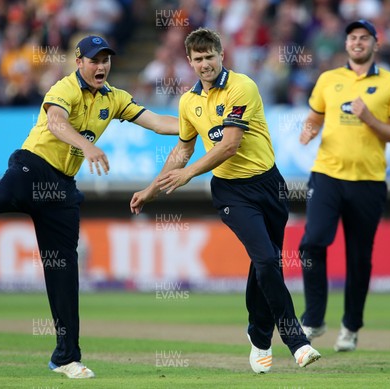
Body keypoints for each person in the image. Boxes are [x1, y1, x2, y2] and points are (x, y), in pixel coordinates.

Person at [0, 35, 179, 379]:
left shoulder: (115, 98)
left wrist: (198, 125)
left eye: (106, 60)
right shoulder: (64, 88)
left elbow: (156, 122)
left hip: (62, 189)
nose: (101, 66)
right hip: (33, 168)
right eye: (94, 60)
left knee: (64, 272)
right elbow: (56, 123)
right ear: (79, 62)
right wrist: (87, 147)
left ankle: (66, 357)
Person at [130, 27, 321, 373]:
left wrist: (189, 174)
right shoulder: (188, 102)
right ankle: (297, 342)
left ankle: (258, 336)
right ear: (189, 62)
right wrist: (152, 188)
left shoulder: (242, 86)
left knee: (265, 264)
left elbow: (230, 144)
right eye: (198, 59)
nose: (204, 64)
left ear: (222, 56)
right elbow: (183, 150)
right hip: (231, 192)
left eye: (209, 57)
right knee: (265, 259)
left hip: (269, 185)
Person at [298, 19, 390, 352]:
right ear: (345, 45)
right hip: (327, 175)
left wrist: (369, 119)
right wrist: (308, 130)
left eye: (364, 38)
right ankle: (315, 318)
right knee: (312, 243)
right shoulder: (328, 79)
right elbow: (315, 117)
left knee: (359, 258)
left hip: (368, 181)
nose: (357, 43)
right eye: (352, 38)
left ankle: (350, 326)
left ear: (376, 43)